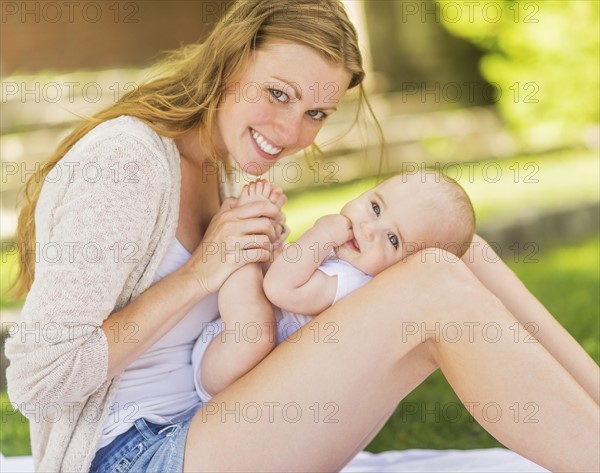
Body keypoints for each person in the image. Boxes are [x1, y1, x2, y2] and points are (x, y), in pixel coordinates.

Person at [4, 0, 598, 472]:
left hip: (218, 422)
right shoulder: (126, 162)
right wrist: (200, 273)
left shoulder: (223, 167)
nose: (291, 132)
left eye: (316, 114)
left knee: (444, 238)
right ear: (231, 60)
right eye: (278, 94)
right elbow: (38, 380)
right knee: (433, 281)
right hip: (133, 456)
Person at [193, 170, 477, 401]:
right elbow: (282, 273)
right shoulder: (350, 262)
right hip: (233, 359)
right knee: (260, 295)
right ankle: (249, 231)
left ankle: (243, 234)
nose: (368, 229)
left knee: (255, 326)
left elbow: (280, 288)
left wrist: (321, 233)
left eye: (393, 240)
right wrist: (278, 246)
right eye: (375, 207)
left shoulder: (354, 285)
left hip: (235, 359)